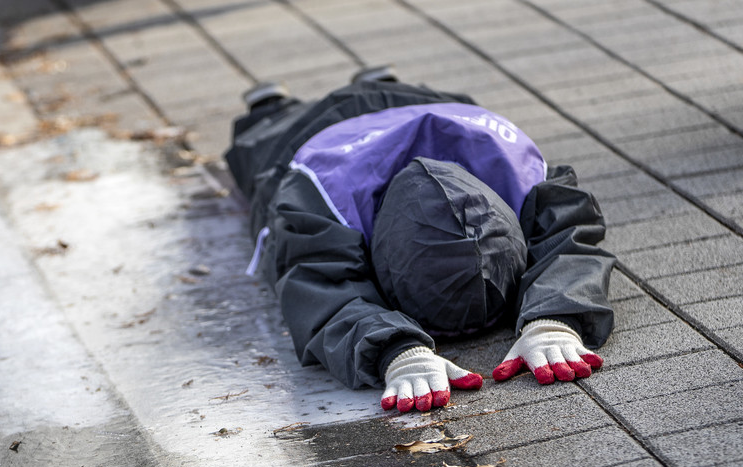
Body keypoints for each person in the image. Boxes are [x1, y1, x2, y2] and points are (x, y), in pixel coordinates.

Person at [224, 67, 615, 413]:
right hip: (305, 135)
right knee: (262, 148)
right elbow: (316, 282)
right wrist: (395, 351)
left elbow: (570, 234)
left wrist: (553, 321)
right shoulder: (318, 196)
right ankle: (271, 110)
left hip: (428, 108)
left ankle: (377, 85)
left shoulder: (517, 169)